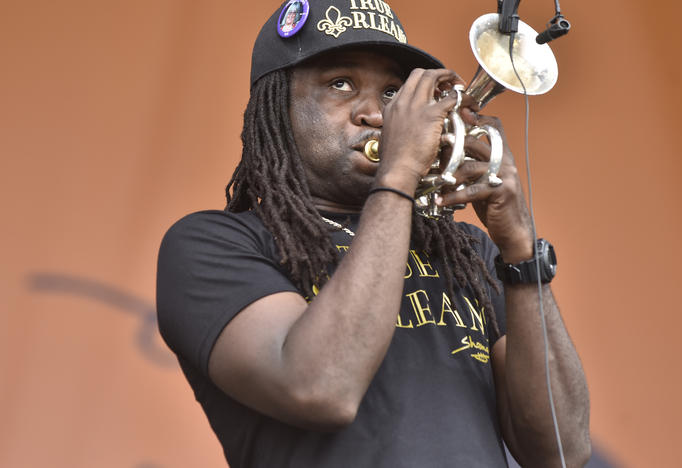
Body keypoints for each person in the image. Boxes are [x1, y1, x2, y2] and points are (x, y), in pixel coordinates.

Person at [156, 0, 591, 466]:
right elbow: (321, 387)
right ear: (277, 106)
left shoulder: (468, 251)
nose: (377, 114)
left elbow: (560, 449)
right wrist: (399, 175)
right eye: (340, 84)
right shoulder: (213, 245)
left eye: (391, 94)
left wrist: (520, 249)